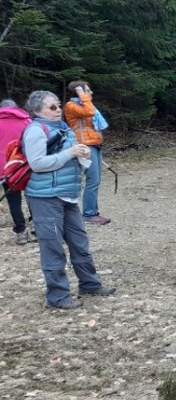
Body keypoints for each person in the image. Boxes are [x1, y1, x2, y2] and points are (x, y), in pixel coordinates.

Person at [22, 90, 115, 309]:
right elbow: (37, 164)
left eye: (58, 105)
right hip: (45, 197)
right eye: (52, 107)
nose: (58, 110)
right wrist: (70, 153)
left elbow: (68, 160)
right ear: (37, 111)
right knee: (52, 247)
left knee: (79, 242)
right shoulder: (35, 130)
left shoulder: (64, 128)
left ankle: (90, 284)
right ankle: (57, 297)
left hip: (68, 196)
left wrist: (82, 156)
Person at [63, 80, 110, 225]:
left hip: (94, 144)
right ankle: (89, 214)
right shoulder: (71, 106)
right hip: (85, 145)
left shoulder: (83, 104)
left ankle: (92, 212)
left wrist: (84, 97)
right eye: (87, 90)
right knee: (92, 180)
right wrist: (83, 95)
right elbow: (89, 112)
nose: (91, 93)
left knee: (95, 180)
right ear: (79, 92)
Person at [0, 98, 32, 244]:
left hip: (5, 168)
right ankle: (36, 228)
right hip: (26, 166)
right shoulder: (27, 121)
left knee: (13, 201)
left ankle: (21, 232)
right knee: (33, 197)